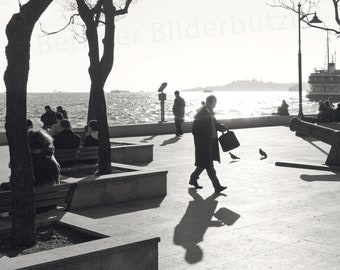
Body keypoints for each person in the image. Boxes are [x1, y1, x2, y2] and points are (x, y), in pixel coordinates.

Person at [190, 95, 228, 193]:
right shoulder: (201, 114)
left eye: (215, 103)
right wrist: (203, 141)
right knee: (209, 166)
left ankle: (193, 178)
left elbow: (214, 124)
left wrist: (221, 127)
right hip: (205, 144)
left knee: (204, 164)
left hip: (212, 142)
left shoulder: (210, 112)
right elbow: (194, 130)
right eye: (213, 103)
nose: (214, 105)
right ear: (208, 102)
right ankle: (217, 186)